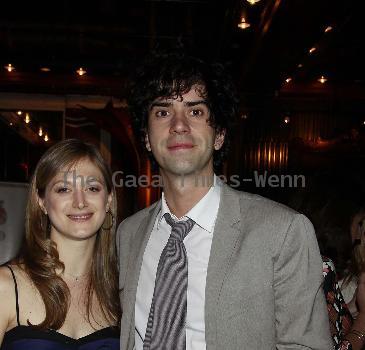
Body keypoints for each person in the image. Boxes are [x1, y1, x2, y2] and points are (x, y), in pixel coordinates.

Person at [117, 52, 332, 349]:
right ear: (146, 138)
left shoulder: (282, 232)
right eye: (163, 112)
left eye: (195, 112)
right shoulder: (128, 235)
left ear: (218, 135)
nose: (179, 125)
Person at [0, 139, 120, 349]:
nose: (80, 202)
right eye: (64, 189)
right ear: (42, 201)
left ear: (108, 199)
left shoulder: (123, 292)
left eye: (92, 188)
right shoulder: (5, 286)